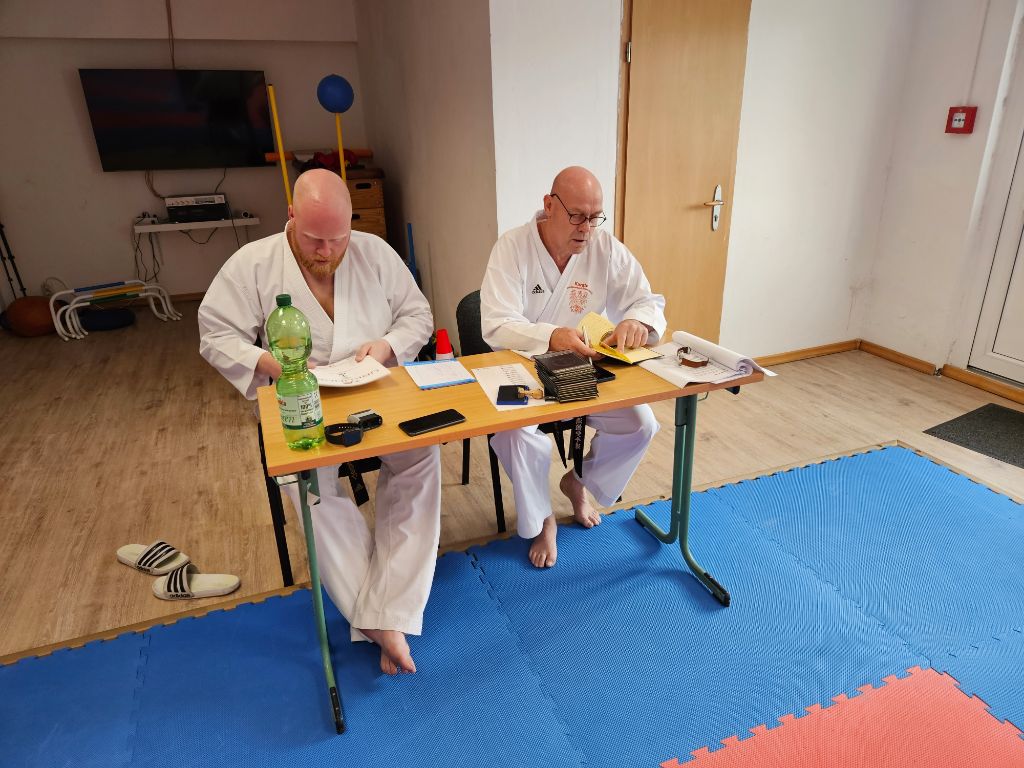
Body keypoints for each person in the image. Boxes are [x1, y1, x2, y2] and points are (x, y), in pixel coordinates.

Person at [198, 169, 439, 675]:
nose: (326, 251)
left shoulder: (375, 253)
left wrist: (387, 346)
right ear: (290, 215)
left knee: (421, 456)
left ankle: (389, 607)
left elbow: (417, 315)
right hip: (299, 397)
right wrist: (273, 363)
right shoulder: (254, 264)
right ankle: (379, 621)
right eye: (313, 239)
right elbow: (216, 334)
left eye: (338, 237)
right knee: (307, 484)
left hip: (375, 389)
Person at [480, 166, 666, 568]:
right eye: (577, 216)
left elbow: (647, 299)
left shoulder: (605, 248)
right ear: (549, 205)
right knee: (517, 435)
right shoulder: (512, 248)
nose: (586, 228)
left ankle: (578, 482)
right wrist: (551, 336)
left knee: (641, 424)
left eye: (595, 217)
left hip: (584, 370)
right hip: (523, 371)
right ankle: (542, 518)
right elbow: (495, 324)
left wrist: (638, 321)